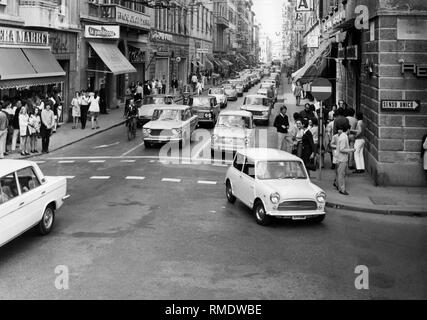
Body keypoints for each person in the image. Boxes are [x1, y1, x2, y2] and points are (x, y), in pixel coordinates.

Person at [336, 124, 355, 196]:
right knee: (342, 174)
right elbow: (342, 149)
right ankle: (342, 189)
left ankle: (339, 187)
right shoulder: (344, 137)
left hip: (340, 158)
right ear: (347, 129)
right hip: (342, 159)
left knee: (340, 173)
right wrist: (351, 150)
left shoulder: (341, 136)